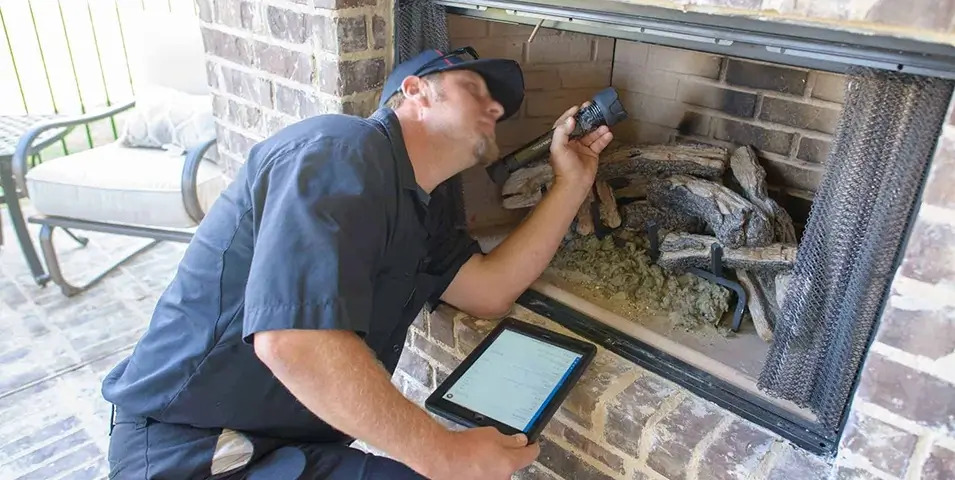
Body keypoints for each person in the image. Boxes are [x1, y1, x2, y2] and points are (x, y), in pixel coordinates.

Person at [101, 46, 613, 479]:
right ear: (415, 91)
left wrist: (571, 183)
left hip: (287, 446)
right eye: (475, 89)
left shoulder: (421, 210)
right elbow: (294, 341)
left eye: (497, 105)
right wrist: (446, 454)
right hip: (191, 449)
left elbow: (490, 290)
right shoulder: (339, 149)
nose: (494, 107)